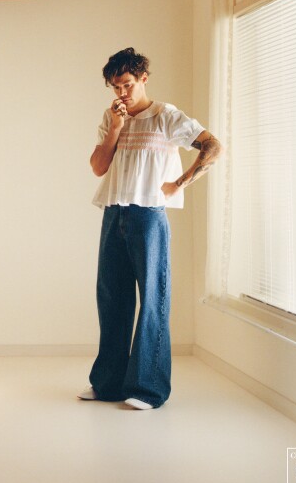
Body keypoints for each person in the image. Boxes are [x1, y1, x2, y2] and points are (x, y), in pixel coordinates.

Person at [78, 47, 222, 410]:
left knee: (153, 299)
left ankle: (148, 389)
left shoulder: (165, 116)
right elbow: (98, 167)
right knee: (111, 298)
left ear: (143, 78)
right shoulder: (113, 116)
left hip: (148, 215)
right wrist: (116, 127)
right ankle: (108, 383)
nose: (121, 93)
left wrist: (183, 181)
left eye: (127, 84)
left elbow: (213, 146)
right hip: (114, 212)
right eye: (115, 87)